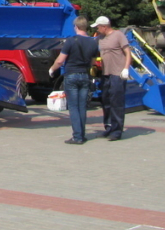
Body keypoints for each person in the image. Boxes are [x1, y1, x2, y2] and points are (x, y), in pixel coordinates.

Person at [48, 16, 99, 144]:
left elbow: (60, 60)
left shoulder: (71, 41)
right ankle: (81, 134)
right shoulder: (93, 42)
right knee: (82, 106)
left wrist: (52, 69)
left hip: (72, 75)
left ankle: (77, 137)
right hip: (85, 75)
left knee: (73, 107)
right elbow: (93, 62)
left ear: (76, 27)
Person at [91, 16, 132, 141]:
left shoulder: (118, 35)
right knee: (106, 101)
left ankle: (117, 131)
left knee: (116, 102)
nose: (97, 30)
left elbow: (128, 52)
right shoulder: (100, 38)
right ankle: (108, 127)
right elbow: (90, 46)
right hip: (105, 74)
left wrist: (126, 68)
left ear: (104, 26)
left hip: (117, 74)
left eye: (98, 27)